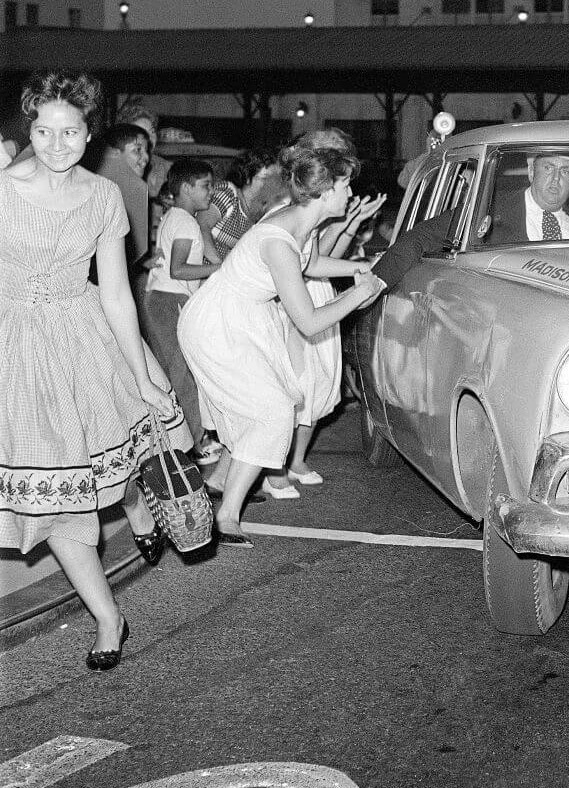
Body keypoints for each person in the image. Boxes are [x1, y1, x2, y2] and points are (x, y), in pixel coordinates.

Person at [0, 71, 178, 672]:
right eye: (43, 131)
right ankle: (110, 611)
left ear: (88, 133)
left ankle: (107, 606)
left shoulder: (103, 198)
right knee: (59, 493)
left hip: (81, 349)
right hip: (14, 355)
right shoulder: (1, 189)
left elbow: (116, 295)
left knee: (90, 473)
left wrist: (143, 373)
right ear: (29, 130)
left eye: (69, 131)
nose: (55, 144)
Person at [178, 145, 385, 546]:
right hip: (219, 323)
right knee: (272, 409)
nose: (349, 194)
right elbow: (309, 322)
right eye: (344, 186)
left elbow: (308, 265)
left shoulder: (298, 222)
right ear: (326, 192)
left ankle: (220, 481)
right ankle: (226, 516)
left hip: (245, 319)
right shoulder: (279, 237)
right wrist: (358, 294)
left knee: (265, 406)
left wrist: (359, 269)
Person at [261, 128, 387, 498]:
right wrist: (348, 227)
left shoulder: (324, 205)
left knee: (319, 381)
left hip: (317, 287)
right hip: (294, 294)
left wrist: (351, 224)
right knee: (294, 383)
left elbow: (325, 254)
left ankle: (297, 460)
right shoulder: (288, 208)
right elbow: (301, 264)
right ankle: (275, 467)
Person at [143, 158, 221, 461]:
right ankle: (184, 453)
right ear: (187, 188)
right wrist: (219, 268)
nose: (210, 192)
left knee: (173, 378)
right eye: (205, 186)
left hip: (162, 299)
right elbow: (178, 269)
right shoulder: (186, 221)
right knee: (185, 378)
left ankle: (175, 448)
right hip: (170, 300)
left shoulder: (175, 216)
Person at [197, 147, 285, 260]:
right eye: (265, 178)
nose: (271, 184)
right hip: (205, 270)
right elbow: (201, 226)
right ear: (247, 178)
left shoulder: (261, 209)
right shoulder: (228, 193)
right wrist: (219, 267)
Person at [486, 153, 569, 243]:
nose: (556, 178)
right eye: (548, 168)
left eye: (565, 172)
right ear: (531, 172)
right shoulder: (491, 212)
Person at [95, 123, 153, 272]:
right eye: (137, 150)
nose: (146, 157)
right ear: (113, 153)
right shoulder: (99, 193)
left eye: (146, 151)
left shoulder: (130, 192)